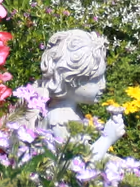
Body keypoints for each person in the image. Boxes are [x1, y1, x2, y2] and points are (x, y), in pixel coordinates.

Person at [37, 29, 125, 159]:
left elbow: (83, 151)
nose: (103, 85)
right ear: (70, 80)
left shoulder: (67, 111)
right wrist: (107, 139)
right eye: (96, 80)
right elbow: (77, 166)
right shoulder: (61, 118)